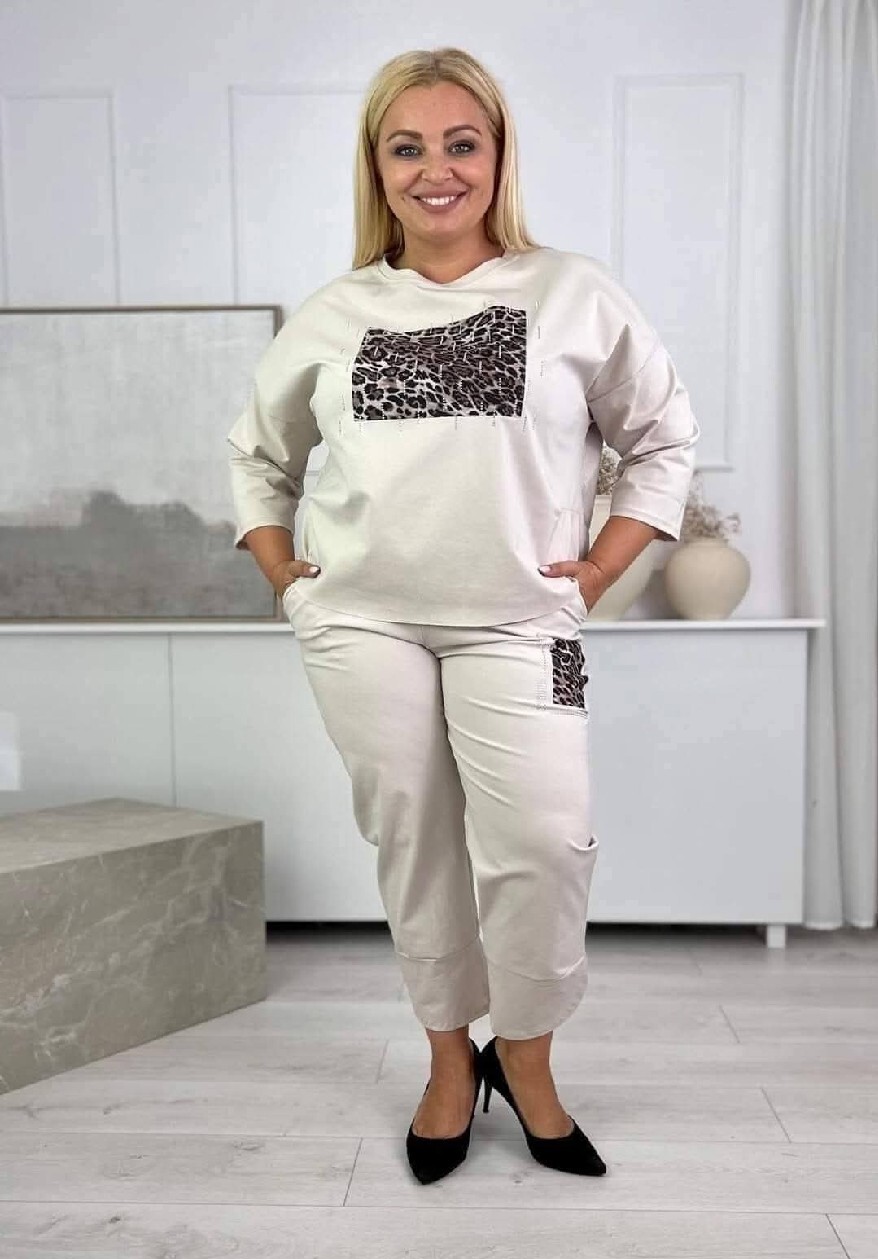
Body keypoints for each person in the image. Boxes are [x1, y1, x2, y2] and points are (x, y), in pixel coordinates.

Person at [226, 46, 700, 1186]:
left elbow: (662, 438)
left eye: (459, 143)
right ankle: (449, 1060)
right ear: (376, 167)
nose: (435, 169)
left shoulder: (571, 293)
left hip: (521, 622)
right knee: (415, 840)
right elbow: (257, 456)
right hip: (361, 625)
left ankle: (523, 1057)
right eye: (407, 148)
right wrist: (287, 573)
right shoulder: (338, 311)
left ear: (496, 158)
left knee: (546, 841)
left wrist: (597, 570)